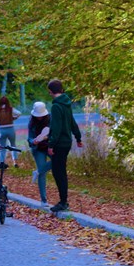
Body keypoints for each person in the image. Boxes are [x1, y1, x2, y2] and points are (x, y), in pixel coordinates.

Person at [46, 79, 82, 213]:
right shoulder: (66, 104)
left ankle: (63, 201)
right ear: (61, 90)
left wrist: (51, 144)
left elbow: (56, 127)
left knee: (58, 172)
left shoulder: (56, 106)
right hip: (67, 142)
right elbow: (72, 122)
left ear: (50, 91)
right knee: (62, 171)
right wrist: (78, 137)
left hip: (59, 144)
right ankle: (63, 200)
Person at [27, 101, 52, 205]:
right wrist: (34, 141)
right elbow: (29, 138)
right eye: (38, 116)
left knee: (59, 160)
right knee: (43, 174)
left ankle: (37, 171)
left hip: (49, 146)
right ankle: (43, 199)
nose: (39, 118)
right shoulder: (31, 122)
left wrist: (47, 137)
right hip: (38, 149)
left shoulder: (51, 120)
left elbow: (55, 133)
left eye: (41, 116)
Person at [0, 96, 21, 167]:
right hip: (10, 129)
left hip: (1, 130)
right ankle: (15, 162)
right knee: (13, 145)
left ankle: (2, 162)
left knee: (2, 147)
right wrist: (14, 117)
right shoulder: (10, 109)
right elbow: (19, 113)